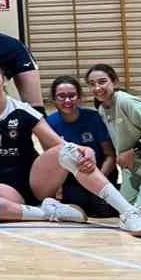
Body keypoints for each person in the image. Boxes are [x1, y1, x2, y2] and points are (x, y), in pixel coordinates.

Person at [0, 60, 141, 236]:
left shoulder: (24, 111)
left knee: (69, 152)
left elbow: (58, 144)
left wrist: (85, 150)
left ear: (4, 80)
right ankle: (45, 213)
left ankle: (129, 213)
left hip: (34, 181)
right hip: (5, 188)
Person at [87, 64, 141, 221]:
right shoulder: (102, 109)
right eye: (92, 84)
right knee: (124, 210)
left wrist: (133, 151)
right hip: (137, 167)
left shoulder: (127, 102)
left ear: (114, 82)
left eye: (102, 82)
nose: (97, 88)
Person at [47, 75, 117, 217]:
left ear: (79, 97)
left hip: (101, 173)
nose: (67, 100)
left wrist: (97, 181)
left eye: (72, 96)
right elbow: (51, 160)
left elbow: (110, 155)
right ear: (54, 99)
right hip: (72, 179)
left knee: (104, 211)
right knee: (78, 207)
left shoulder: (94, 117)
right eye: (61, 96)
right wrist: (57, 187)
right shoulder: (49, 123)